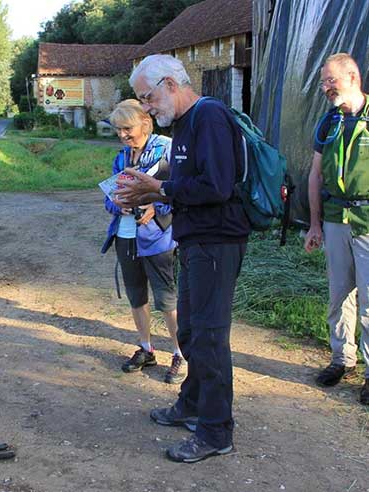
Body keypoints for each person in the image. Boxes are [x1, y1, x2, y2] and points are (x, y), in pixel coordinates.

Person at [114, 54, 251, 463]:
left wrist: (158, 188)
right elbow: (191, 181)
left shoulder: (208, 116)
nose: (147, 107)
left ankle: (215, 432)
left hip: (217, 241)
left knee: (209, 336)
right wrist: (154, 189)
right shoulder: (186, 123)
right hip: (194, 240)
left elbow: (216, 185)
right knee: (191, 331)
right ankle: (191, 406)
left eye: (148, 97)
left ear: (171, 84)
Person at [102, 99, 185, 384]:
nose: (123, 135)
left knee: (167, 300)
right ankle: (146, 348)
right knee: (137, 296)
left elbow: (182, 193)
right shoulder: (122, 157)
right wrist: (119, 206)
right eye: (118, 130)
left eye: (128, 128)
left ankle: (180, 354)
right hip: (125, 236)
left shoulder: (167, 149)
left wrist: (156, 208)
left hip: (158, 239)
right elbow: (108, 197)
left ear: (145, 123)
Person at [304, 52, 369, 405]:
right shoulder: (328, 123)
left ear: (353, 77)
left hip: (368, 219)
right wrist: (314, 224)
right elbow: (315, 174)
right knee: (339, 293)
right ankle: (341, 360)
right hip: (334, 219)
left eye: (331, 80)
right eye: (323, 82)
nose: (326, 87)